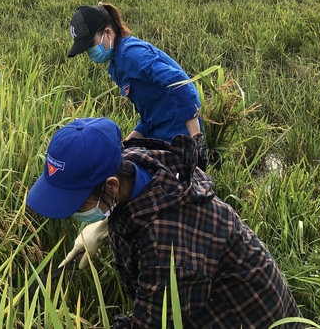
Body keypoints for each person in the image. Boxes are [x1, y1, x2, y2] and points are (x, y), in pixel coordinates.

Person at [26, 117, 302, 328]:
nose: (74, 211)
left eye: (77, 203)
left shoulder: (167, 246)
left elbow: (151, 324)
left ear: (111, 186)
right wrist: (101, 227)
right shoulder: (136, 163)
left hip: (248, 318)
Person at [67, 4, 207, 165]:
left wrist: (196, 139)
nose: (90, 52)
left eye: (91, 44)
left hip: (178, 134)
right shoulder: (117, 65)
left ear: (107, 33)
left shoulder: (132, 54)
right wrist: (126, 143)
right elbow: (149, 116)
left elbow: (179, 83)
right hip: (158, 133)